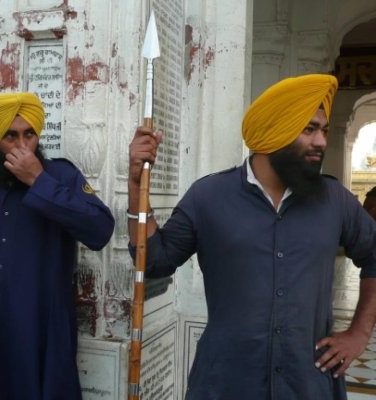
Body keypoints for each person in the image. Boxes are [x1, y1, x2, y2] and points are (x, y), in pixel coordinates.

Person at [127, 74, 376, 399]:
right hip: (226, 384)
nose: (320, 142)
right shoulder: (208, 197)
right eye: (308, 129)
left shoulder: (334, 200)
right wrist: (136, 185)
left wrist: (359, 333)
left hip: (307, 384)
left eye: (324, 131)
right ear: (274, 131)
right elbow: (154, 260)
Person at [0, 92, 115, 400]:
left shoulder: (61, 175)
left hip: (41, 325)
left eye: (29, 134)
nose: (22, 146)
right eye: (10, 136)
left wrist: (39, 181)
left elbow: (100, 230)